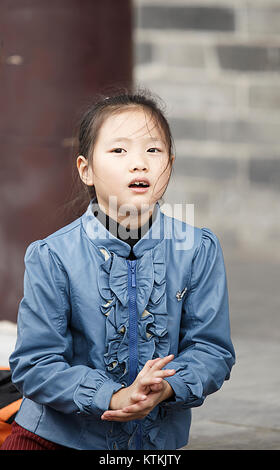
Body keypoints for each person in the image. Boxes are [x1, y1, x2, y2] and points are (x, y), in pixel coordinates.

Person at [0, 88, 235, 451]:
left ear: (169, 164)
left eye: (153, 150)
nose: (139, 163)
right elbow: (35, 364)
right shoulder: (53, 255)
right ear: (86, 170)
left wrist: (165, 387)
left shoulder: (198, 248)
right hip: (53, 440)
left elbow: (212, 350)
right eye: (119, 150)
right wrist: (115, 397)